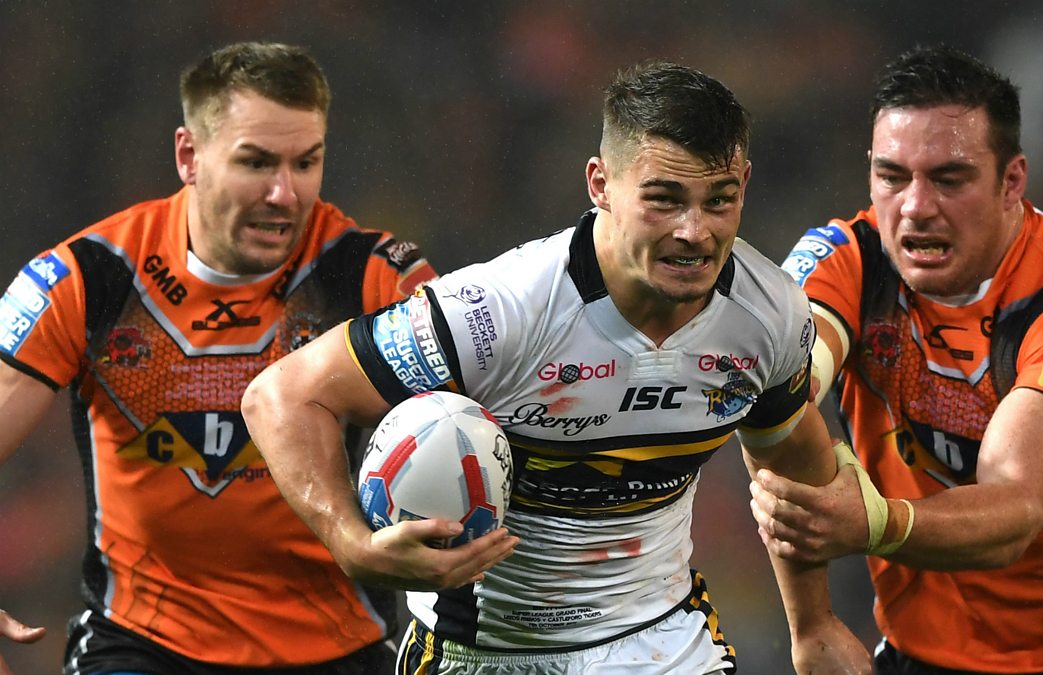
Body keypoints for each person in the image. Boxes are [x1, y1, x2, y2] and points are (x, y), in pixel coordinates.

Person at [241, 60, 871, 674]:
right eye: (664, 199)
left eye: (720, 201)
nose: (694, 232)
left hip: (658, 643)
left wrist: (813, 625)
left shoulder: (769, 313)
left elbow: (789, 456)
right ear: (600, 184)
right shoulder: (497, 312)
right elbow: (281, 396)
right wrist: (351, 544)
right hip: (479, 653)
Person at [0, 41, 447, 674]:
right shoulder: (88, 278)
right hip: (142, 648)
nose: (284, 194)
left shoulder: (372, 279)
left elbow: (480, 432)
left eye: (306, 162)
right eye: (256, 162)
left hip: (339, 647)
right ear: (189, 156)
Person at [753, 44, 1043, 674]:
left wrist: (874, 524)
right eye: (892, 176)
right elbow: (777, 393)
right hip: (924, 654)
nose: (915, 206)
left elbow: (1014, 508)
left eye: (949, 179)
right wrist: (813, 624)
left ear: (1011, 181)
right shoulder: (845, 260)